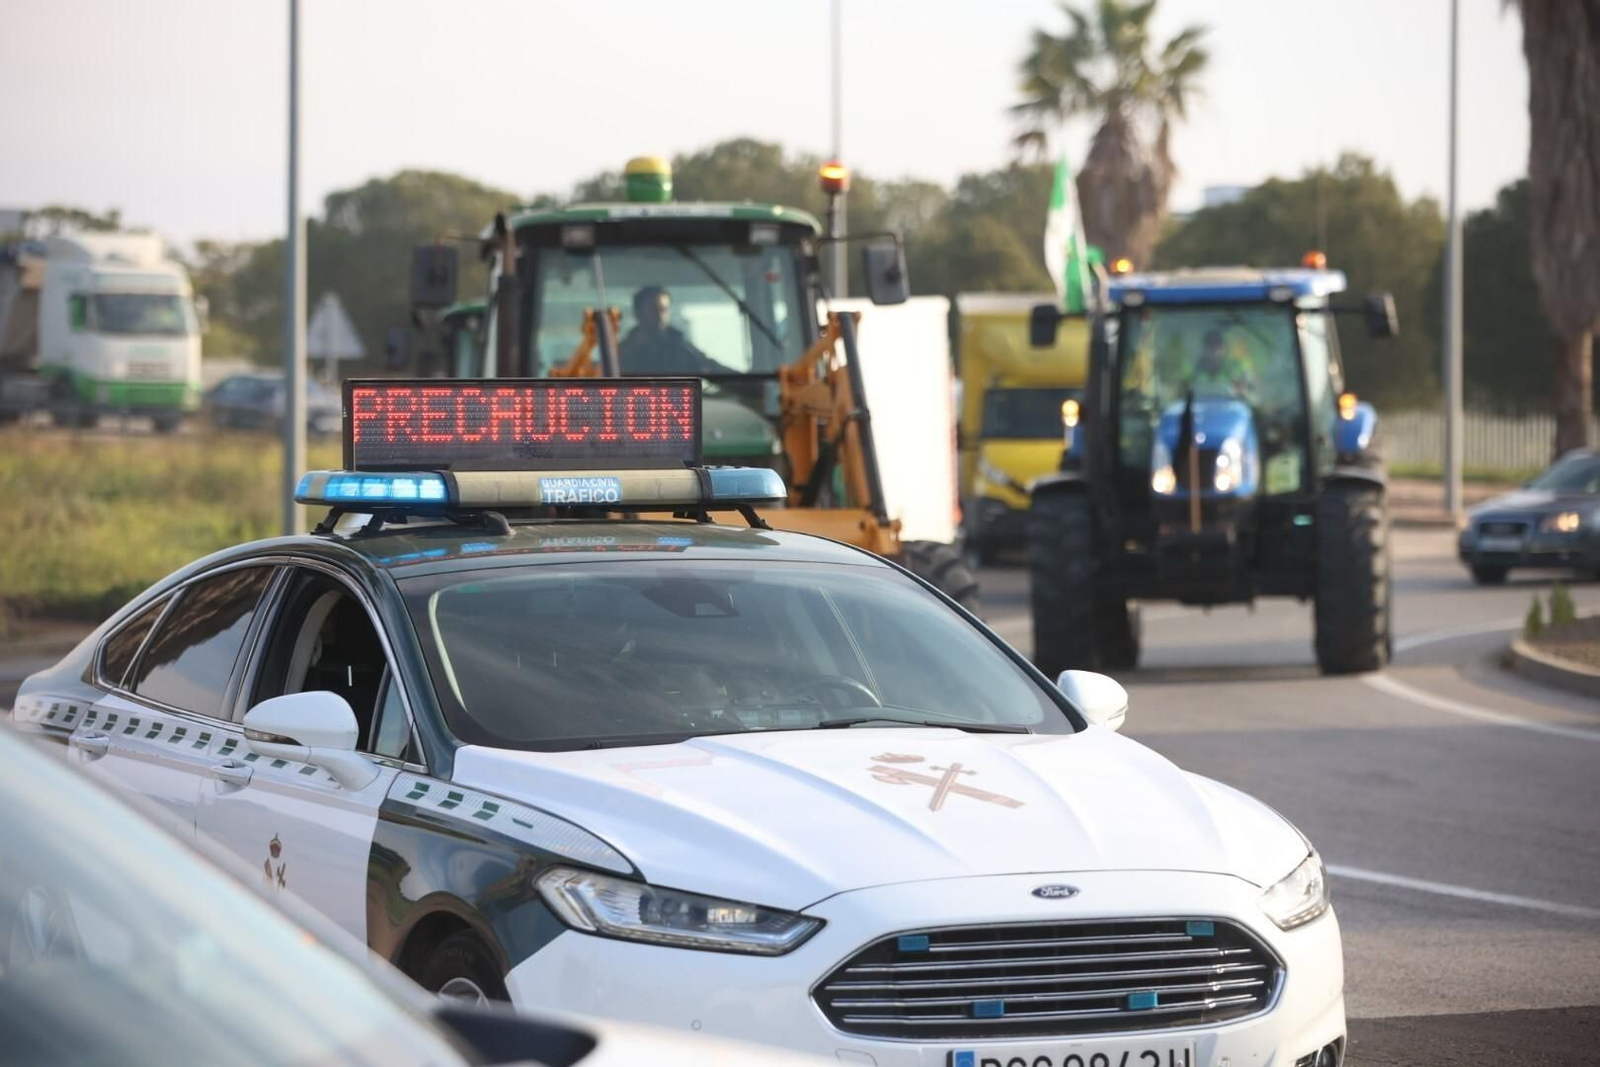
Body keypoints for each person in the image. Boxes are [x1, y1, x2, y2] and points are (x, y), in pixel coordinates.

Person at [618, 287, 736, 376]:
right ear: (638, 312)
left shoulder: (683, 349)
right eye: (654, 308)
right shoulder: (621, 354)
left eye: (664, 309)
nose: (660, 315)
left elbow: (712, 369)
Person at [1189, 328, 1252, 398]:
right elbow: (1185, 391)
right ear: (1204, 348)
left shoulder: (1235, 366)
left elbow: (1247, 391)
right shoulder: (1195, 369)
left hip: (1230, 406)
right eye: (1210, 345)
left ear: (1224, 348)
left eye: (1218, 345)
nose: (1214, 349)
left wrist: (1241, 389)